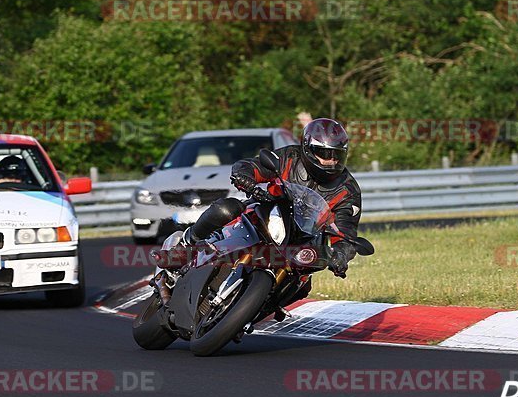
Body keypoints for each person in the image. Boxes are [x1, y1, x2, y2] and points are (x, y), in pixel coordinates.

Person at [154, 118, 363, 297]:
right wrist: (245, 177)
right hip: (267, 213)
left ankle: (260, 306)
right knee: (226, 209)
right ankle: (184, 247)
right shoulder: (290, 157)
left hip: (303, 237)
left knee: (301, 285)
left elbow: (345, 231)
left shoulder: (348, 190)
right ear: (308, 148)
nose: (331, 161)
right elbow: (255, 166)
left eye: (336, 155)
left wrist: (341, 253)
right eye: (324, 154)